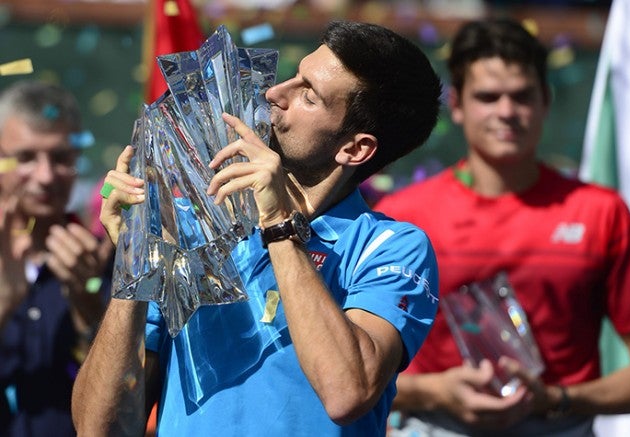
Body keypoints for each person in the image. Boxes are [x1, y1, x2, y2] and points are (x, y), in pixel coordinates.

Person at [71, 20, 442, 436]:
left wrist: (278, 224)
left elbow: (346, 392)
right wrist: (134, 259)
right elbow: (98, 429)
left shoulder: (391, 247)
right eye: (294, 75)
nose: (274, 94)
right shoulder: (193, 226)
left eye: (308, 95)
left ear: (355, 149)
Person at [375, 18, 630, 436]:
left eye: (521, 96)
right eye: (488, 96)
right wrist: (434, 392)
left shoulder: (599, 212)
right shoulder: (403, 216)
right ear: (458, 107)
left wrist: (558, 399)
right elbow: (350, 364)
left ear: (545, 102)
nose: (507, 111)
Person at [0, 80, 113, 436]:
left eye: (62, 158)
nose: (46, 176)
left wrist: (88, 308)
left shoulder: (100, 261)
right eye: (26, 158)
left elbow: (125, 397)